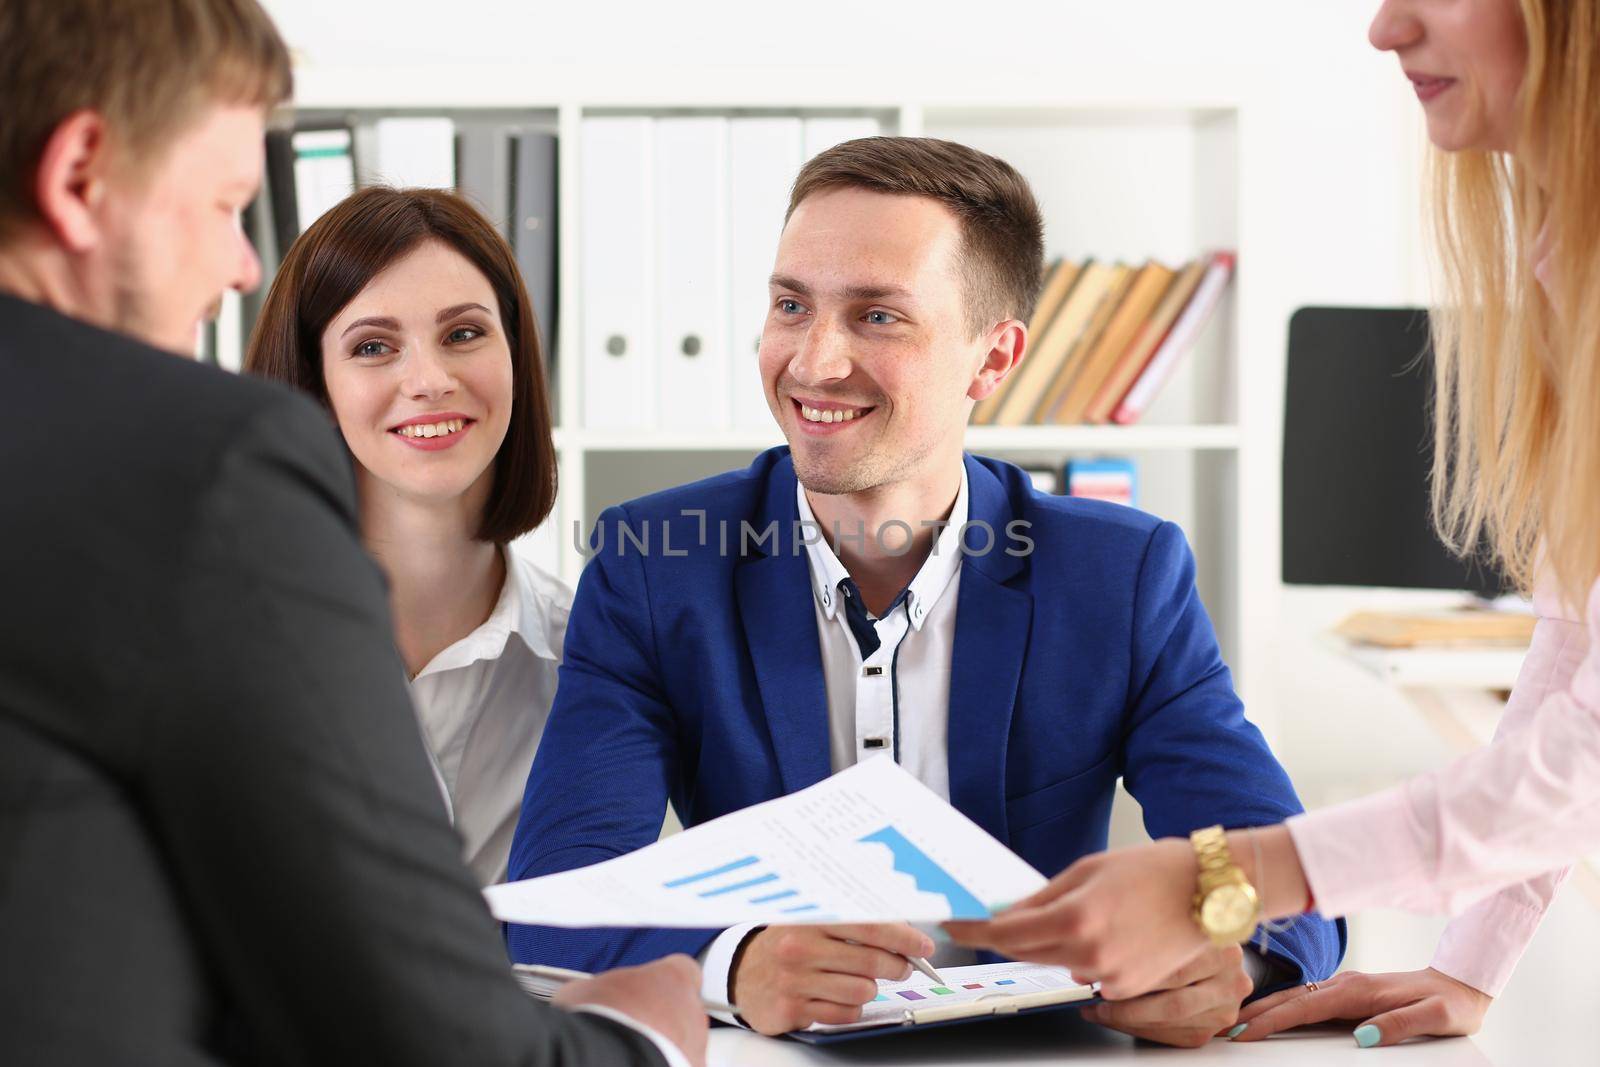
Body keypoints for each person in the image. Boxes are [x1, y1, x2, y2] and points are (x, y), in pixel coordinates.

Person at [505, 135, 1345, 1047]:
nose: (813, 362)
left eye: (878, 317)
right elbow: (558, 890)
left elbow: (1254, 855)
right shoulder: (653, 566)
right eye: (792, 305)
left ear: (992, 359)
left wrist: (1236, 952)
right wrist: (733, 960)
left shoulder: (1120, 577)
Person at [0, 2, 704, 1064]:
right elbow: (416, 1024)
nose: (239, 266)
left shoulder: (601, 642)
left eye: (466, 332)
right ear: (80, 177)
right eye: (228, 202)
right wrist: (639, 1034)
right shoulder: (202, 471)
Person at [947, 0, 1599, 1051]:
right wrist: (1467, 963)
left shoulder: (1127, 572)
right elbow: (1568, 660)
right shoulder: (1565, 251)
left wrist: (1228, 880)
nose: (1385, 30)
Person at [245, 185, 569, 887]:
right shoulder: (223, 641)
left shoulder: (590, 657)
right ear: (315, 384)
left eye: (463, 334)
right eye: (372, 346)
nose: (429, 380)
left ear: (514, 353)